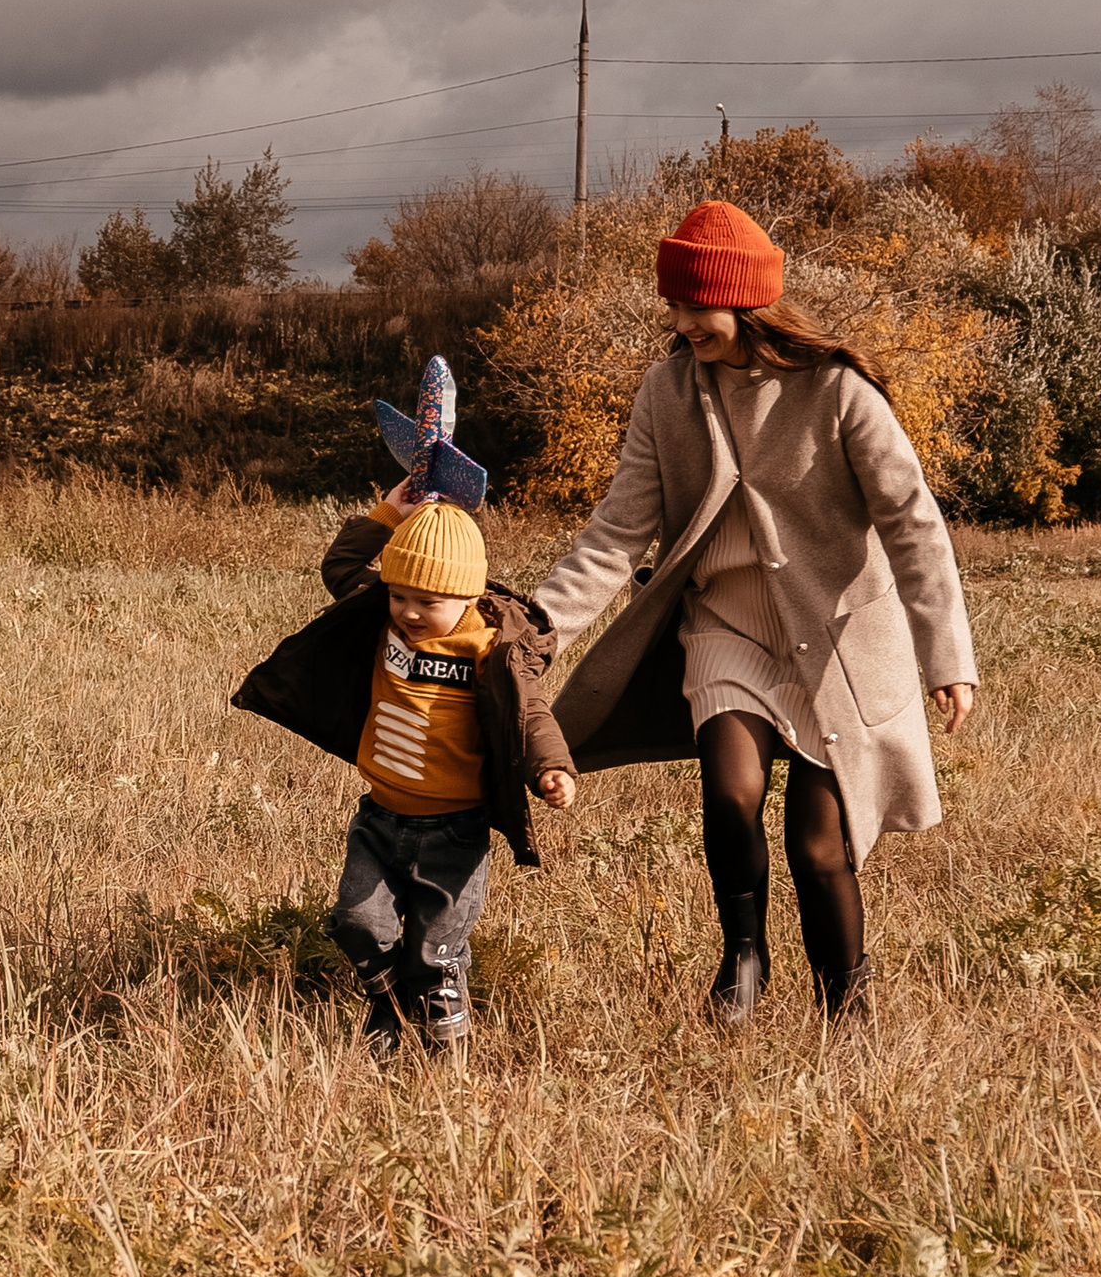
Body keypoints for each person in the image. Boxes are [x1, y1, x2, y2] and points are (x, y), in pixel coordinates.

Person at [528, 199, 977, 1026]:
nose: (679, 320)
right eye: (673, 304)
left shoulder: (837, 392)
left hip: (836, 646)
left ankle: (847, 1006)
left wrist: (946, 654)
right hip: (726, 632)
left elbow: (913, 523)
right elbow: (620, 529)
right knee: (731, 792)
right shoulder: (667, 393)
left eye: (694, 304)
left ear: (745, 300)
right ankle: (742, 959)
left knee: (817, 846)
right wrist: (536, 627)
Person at [233, 484, 575, 1055]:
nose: (410, 612)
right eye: (400, 596)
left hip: (455, 831)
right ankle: (389, 1004)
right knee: (355, 922)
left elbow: (531, 713)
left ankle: (446, 1057)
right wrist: (393, 510)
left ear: (466, 596)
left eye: (428, 602)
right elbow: (342, 565)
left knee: (435, 955)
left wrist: (550, 767)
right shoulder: (384, 617)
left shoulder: (492, 649)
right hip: (380, 818)